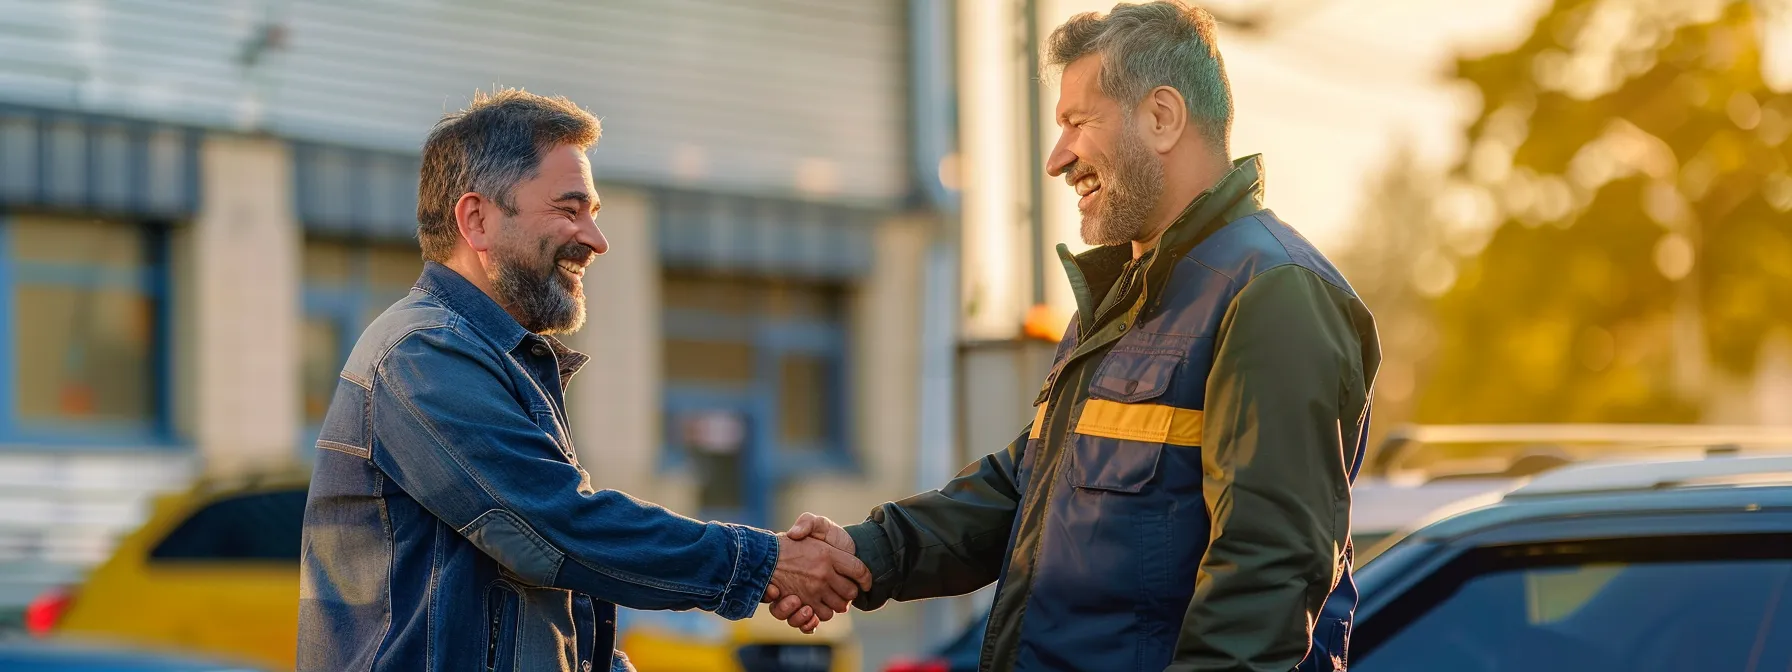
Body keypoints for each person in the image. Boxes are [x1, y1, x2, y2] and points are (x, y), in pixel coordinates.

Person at [770, 3, 1381, 670]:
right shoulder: (1130, 295)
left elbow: (1266, 575)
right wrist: (867, 553)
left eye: (1078, 123)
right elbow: (1026, 487)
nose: (1060, 158)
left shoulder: (1272, 292)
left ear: (1161, 117)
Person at [296, 89, 869, 672]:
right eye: (570, 210)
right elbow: (557, 529)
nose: (596, 240)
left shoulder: (496, 357)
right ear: (476, 220)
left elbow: (543, 594)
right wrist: (767, 563)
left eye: (593, 213)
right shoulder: (420, 354)